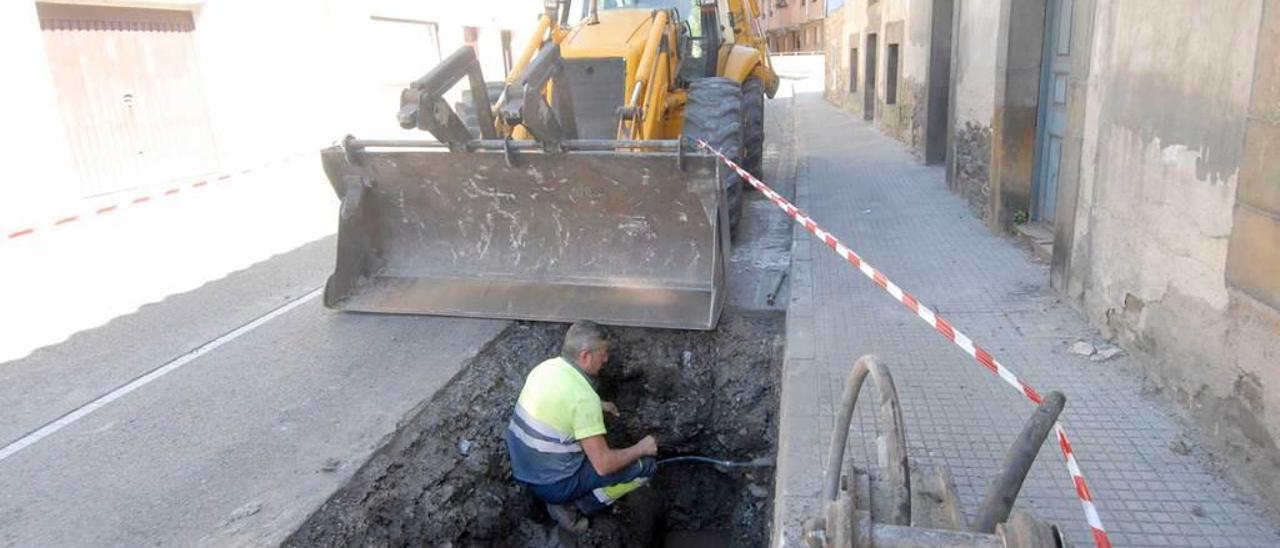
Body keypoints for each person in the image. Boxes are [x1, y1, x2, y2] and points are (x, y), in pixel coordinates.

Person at [505, 321, 659, 531]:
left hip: (523, 469)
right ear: (585, 355)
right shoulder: (583, 400)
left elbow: (561, 402)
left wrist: (599, 405)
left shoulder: (546, 368)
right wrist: (642, 448)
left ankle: (558, 499)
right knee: (646, 467)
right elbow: (604, 465)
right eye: (603, 353)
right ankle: (578, 506)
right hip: (554, 484)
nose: (606, 359)